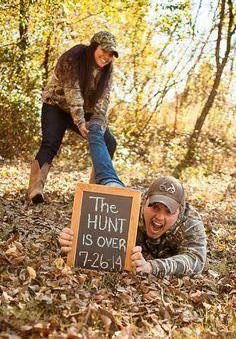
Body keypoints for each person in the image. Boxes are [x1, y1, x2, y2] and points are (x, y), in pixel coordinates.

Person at [59, 121, 207, 278]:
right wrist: (70, 241)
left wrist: (152, 266)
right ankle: (96, 131)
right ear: (145, 201)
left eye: (168, 211)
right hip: (122, 191)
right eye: (155, 207)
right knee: (108, 179)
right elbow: (91, 230)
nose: (159, 217)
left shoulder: (190, 222)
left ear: (179, 211)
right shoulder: (131, 202)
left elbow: (195, 260)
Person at [28, 31, 119, 204]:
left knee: (109, 142)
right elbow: (73, 93)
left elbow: (103, 100)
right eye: (104, 51)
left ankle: (95, 192)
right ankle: (35, 190)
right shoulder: (73, 58)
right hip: (56, 105)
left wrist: (98, 125)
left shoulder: (108, 69)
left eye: (111, 54)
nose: (106, 57)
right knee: (50, 143)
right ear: (94, 46)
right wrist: (80, 122)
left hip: (84, 110)